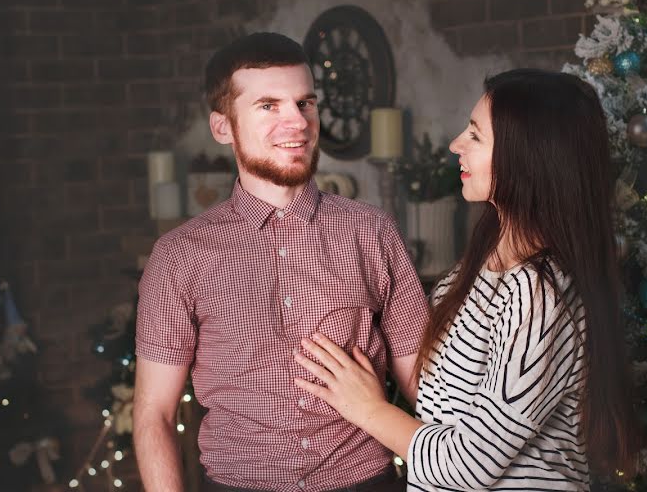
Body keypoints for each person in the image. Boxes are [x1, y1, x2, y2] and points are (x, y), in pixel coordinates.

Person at [294, 69, 638, 491]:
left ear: (526, 158)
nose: (456, 144)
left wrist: (368, 409)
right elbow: (440, 407)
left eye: (475, 135)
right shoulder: (472, 270)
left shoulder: (541, 294)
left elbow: (470, 466)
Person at [132, 32, 429, 492]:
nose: (298, 123)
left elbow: (425, 389)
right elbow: (154, 413)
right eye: (269, 105)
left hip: (365, 482)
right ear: (222, 127)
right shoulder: (179, 257)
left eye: (305, 103)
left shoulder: (372, 231)